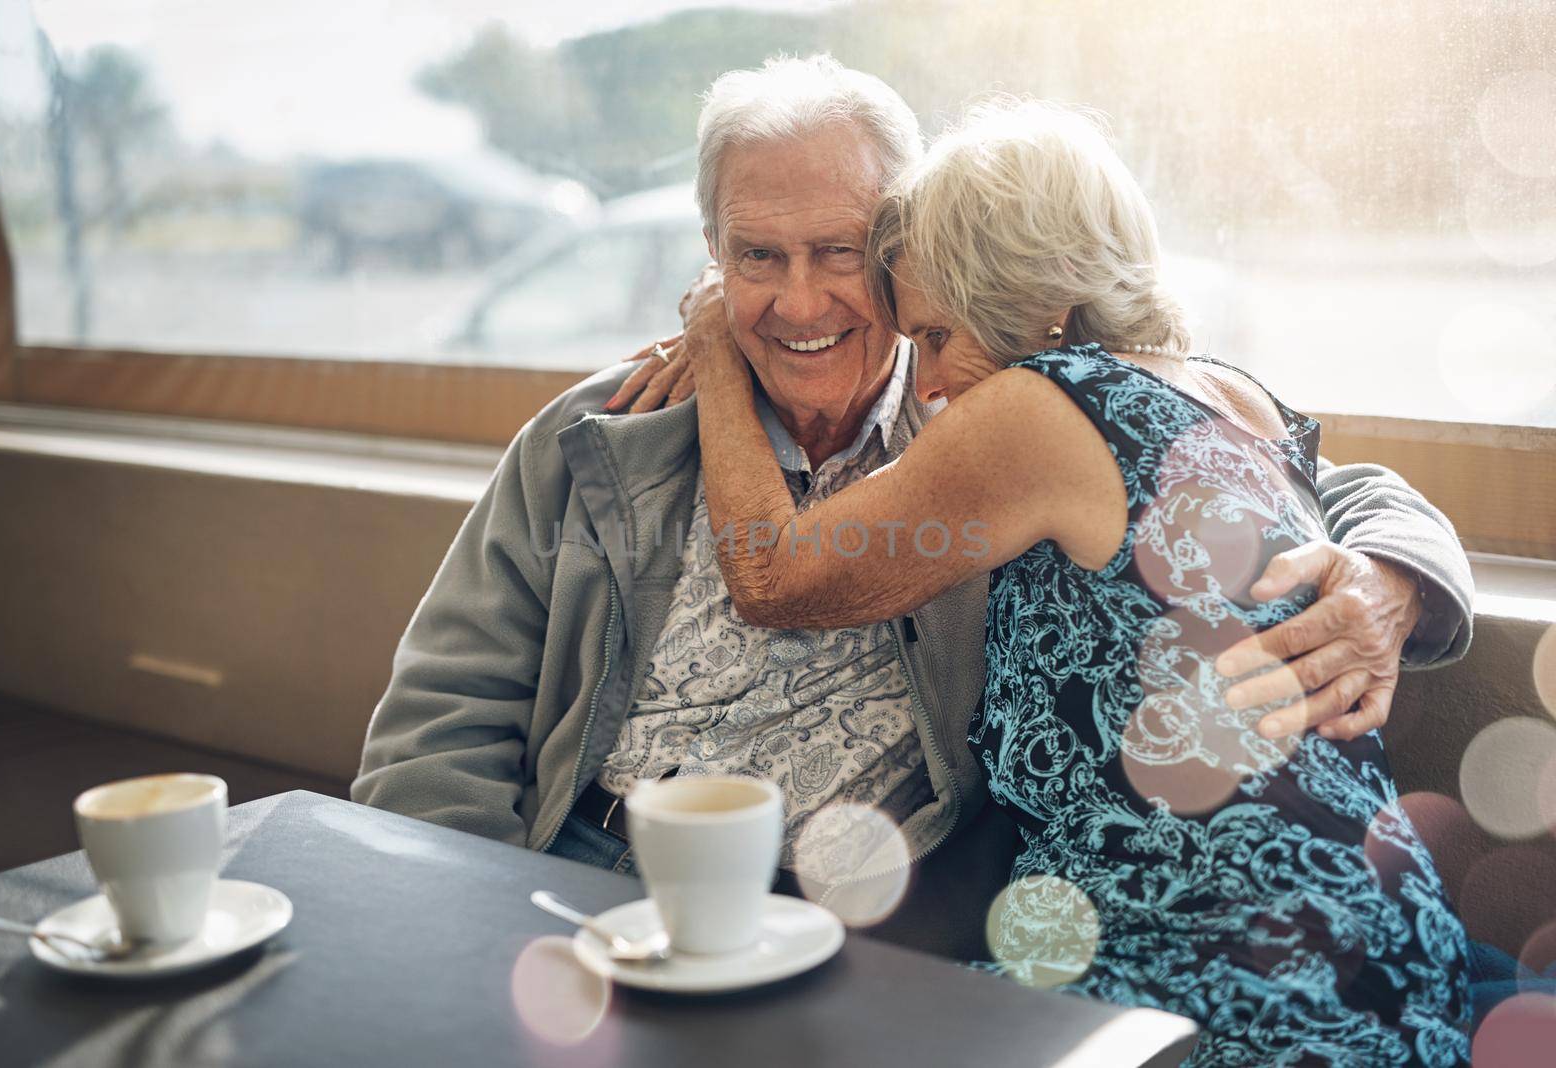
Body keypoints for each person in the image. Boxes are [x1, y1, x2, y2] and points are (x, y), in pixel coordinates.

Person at [352, 56, 1473, 960]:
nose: (797, 300)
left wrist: (1388, 577)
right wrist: (469, 937)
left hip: (873, 917)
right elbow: (440, 721)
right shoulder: (599, 437)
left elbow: (1330, 484)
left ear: (902, 254)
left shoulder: (991, 420)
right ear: (712, 258)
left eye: (837, 253)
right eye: (756, 256)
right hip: (584, 873)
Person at [669, 97, 1469, 1063]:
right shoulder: (1231, 394)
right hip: (1384, 949)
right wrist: (1397, 571)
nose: (924, 384)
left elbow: (774, 574)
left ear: (1036, 306)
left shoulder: (1038, 408)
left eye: (936, 334)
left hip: (1216, 979)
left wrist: (716, 341)